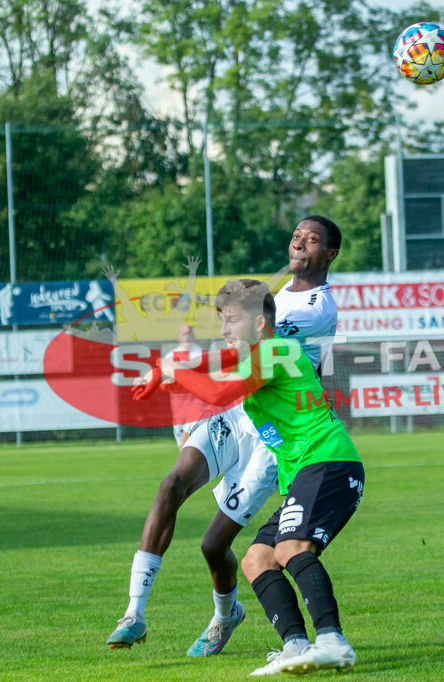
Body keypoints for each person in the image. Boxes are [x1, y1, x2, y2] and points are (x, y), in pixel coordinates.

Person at [106, 216, 341, 658]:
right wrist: (169, 368)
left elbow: (244, 352)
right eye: (296, 236)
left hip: (272, 434)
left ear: (329, 254)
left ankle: (226, 614)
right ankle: (133, 613)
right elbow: (237, 349)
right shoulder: (281, 295)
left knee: (214, 545)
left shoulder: (316, 308)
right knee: (170, 486)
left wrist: (175, 368)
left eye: (312, 240)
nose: (299, 244)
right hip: (238, 412)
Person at [155, 279, 363, 676]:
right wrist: (162, 373)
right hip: (308, 471)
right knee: (257, 559)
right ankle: (295, 645)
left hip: (328, 463)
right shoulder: (260, 355)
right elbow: (214, 365)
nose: (224, 329)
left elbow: (217, 394)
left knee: (291, 547)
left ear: (259, 324)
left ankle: (332, 641)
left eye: (231, 320)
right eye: (222, 320)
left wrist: (172, 370)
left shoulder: (276, 351)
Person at [166, 324, 205, 448]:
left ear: (194, 336)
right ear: (178, 337)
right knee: (182, 446)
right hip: (180, 407)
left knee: (197, 443)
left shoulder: (203, 354)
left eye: (189, 334)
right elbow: (166, 378)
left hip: (200, 406)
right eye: (184, 334)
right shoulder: (171, 356)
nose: (187, 337)